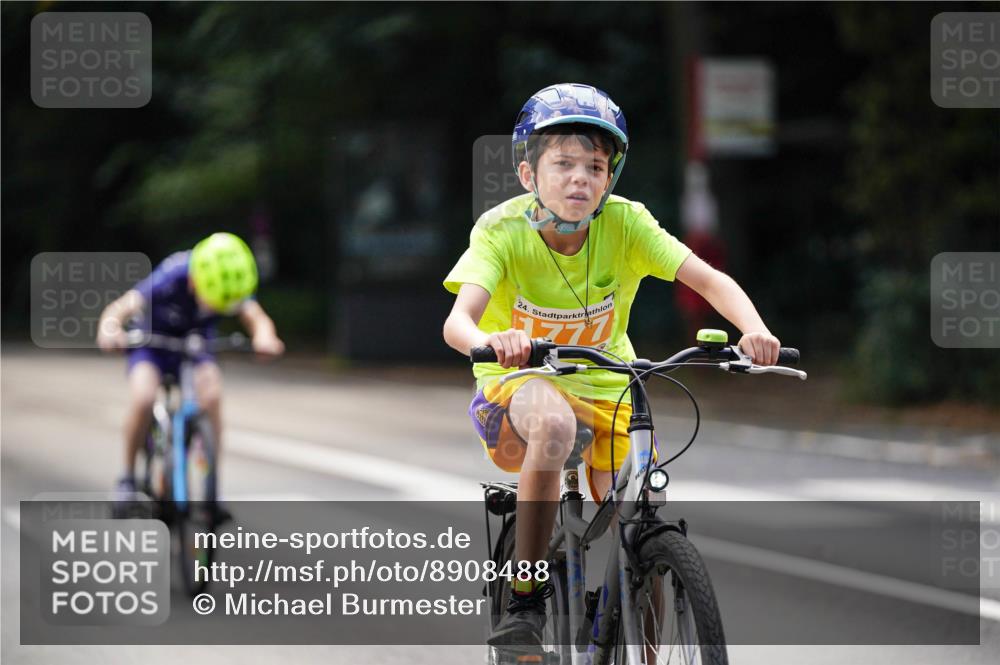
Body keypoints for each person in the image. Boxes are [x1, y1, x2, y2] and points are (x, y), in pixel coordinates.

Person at [442, 83, 781, 651]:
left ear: (609, 180)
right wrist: (491, 340)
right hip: (519, 387)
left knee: (635, 512)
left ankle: (637, 605)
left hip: (611, 385)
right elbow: (458, 323)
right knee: (553, 426)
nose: (581, 178)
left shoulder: (626, 224)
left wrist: (755, 329)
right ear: (529, 175)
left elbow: (707, 278)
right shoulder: (500, 232)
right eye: (564, 164)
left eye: (595, 167)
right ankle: (526, 594)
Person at [97, 232, 285, 512]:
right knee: (144, 397)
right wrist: (109, 329)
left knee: (212, 397)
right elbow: (123, 306)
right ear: (196, 280)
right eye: (213, 300)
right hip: (153, 343)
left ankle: (212, 486)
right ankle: (127, 477)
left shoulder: (230, 278)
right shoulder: (173, 273)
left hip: (195, 345)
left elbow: (255, 317)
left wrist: (265, 337)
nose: (215, 308)